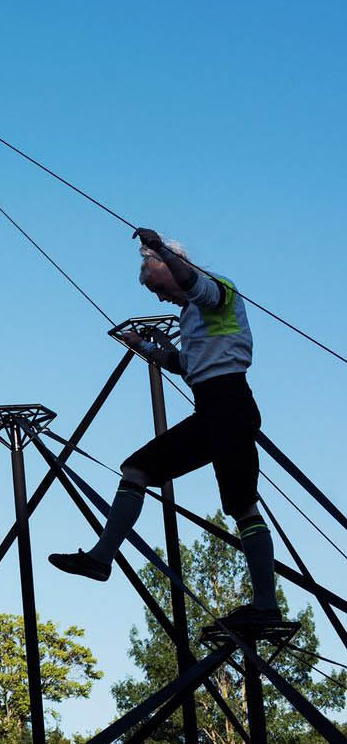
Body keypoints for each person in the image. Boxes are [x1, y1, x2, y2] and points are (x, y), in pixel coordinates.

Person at [49, 228, 279, 630]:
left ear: (175, 270)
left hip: (232, 405)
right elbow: (186, 367)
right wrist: (146, 349)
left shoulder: (215, 291)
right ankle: (101, 559)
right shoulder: (191, 315)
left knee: (242, 506)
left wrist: (157, 249)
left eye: (159, 287)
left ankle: (265, 605)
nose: (159, 298)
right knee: (136, 469)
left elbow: (193, 284)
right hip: (209, 409)